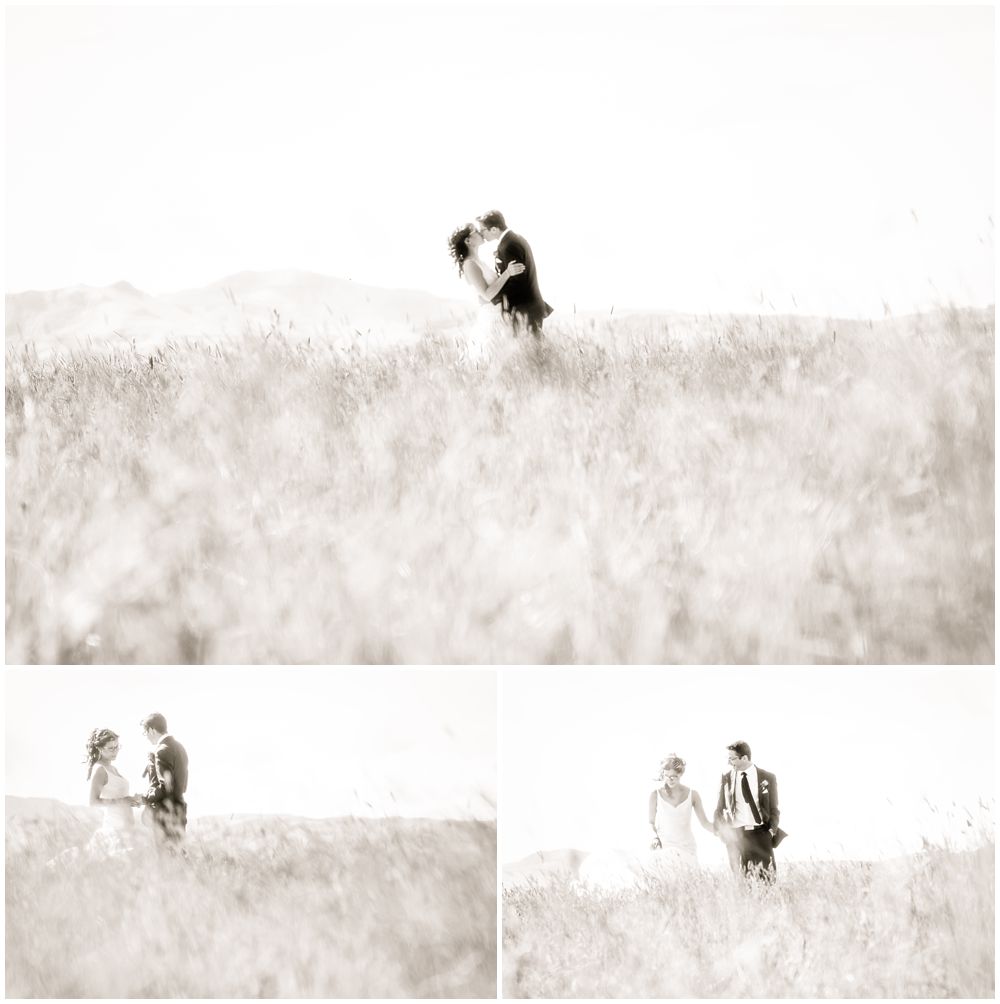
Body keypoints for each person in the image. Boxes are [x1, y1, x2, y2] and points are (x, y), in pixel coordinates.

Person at [447, 222, 525, 360]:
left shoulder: (479, 261)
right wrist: (508, 273)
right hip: (492, 317)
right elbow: (487, 294)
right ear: (468, 241)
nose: (480, 232)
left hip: (502, 314)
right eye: (476, 231)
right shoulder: (469, 264)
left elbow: (497, 285)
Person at [713, 740, 786, 882]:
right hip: (735, 836)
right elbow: (719, 807)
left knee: (767, 880)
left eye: (732, 758)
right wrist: (721, 831)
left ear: (744, 758)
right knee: (740, 881)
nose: (729, 762)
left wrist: (771, 830)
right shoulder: (726, 778)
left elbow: (774, 808)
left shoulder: (768, 777)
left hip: (761, 833)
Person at [475, 210, 553, 338]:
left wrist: (493, 298)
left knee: (531, 353)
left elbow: (518, 282)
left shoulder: (510, 245)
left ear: (494, 229)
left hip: (525, 308)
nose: (481, 235)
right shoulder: (513, 240)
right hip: (528, 306)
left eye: (482, 230)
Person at [647, 754, 714, 863]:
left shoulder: (693, 795)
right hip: (664, 847)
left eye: (674, 776)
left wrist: (722, 832)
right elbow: (650, 823)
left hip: (687, 848)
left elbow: (705, 823)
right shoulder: (655, 795)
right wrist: (654, 838)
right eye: (667, 775)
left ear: (681, 774)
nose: (670, 779)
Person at [84, 728, 140, 854]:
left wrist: (133, 800)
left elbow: (120, 797)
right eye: (111, 748)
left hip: (127, 828)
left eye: (117, 747)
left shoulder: (113, 768)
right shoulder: (100, 770)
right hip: (114, 828)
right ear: (100, 749)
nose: (115, 751)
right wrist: (124, 801)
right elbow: (93, 802)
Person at [139, 713, 189, 844]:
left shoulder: (161, 750)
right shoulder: (180, 747)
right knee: (177, 856)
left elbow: (165, 786)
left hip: (165, 814)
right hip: (180, 810)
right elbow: (183, 784)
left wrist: (145, 798)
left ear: (151, 730)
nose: (147, 737)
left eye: (145, 733)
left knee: (165, 858)